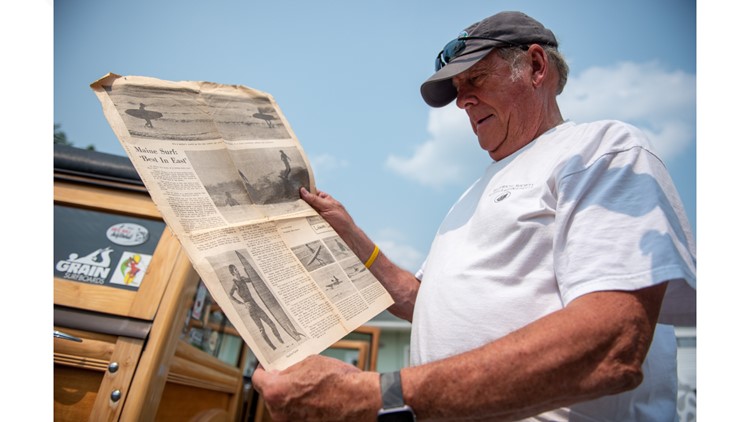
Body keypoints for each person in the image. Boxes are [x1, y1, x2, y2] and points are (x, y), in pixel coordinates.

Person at [252, 11, 696, 421]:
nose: (462, 101)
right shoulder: (473, 191)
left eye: (476, 79)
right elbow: (425, 303)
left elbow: (613, 340)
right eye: (458, 89)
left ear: (537, 67)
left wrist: (374, 396)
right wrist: (350, 235)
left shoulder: (601, 148)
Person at [228, 264, 285, 351]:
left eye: (236, 268)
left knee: (270, 323)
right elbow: (230, 295)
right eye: (235, 270)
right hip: (250, 307)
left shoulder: (243, 279)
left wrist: (248, 271)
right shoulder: (235, 284)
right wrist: (242, 304)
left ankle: (279, 339)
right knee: (261, 329)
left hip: (255, 305)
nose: (237, 270)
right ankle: (272, 347)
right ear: (232, 273)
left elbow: (252, 279)